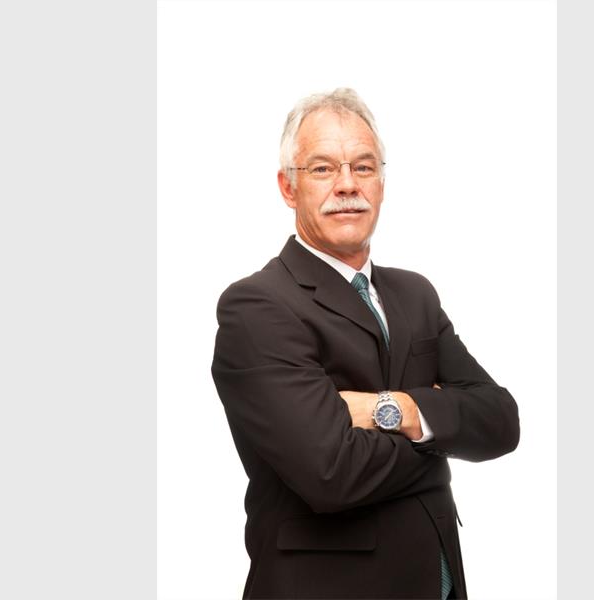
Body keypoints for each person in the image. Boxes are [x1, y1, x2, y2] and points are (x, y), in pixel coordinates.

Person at [211, 88, 519, 599]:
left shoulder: (415, 294)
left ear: (382, 182)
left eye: (364, 166)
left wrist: (393, 410)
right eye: (323, 168)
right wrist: (442, 433)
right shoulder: (258, 306)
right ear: (288, 187)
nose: (348, 185)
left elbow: (501, 421)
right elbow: (332, 473)